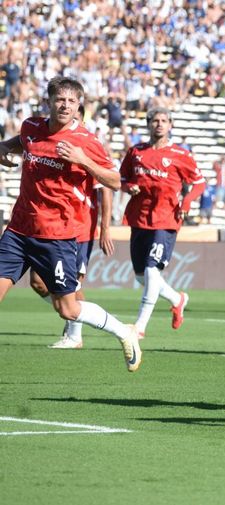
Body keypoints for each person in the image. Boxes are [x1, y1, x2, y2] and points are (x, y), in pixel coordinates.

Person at [0, 76, 141, 371]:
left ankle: (124, 332)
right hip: (18, 231)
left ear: (79, 106)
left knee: (68, 309)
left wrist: (83, 160)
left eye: (71, 101)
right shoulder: (30, 127)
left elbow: (115, 181)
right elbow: (24, 142)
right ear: (49, 102)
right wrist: (4, 146)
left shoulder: (86, 141)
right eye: (60, 100)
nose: (65, 105)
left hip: (56, 236)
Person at [28, 104, 116, 349]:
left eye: (76, 115)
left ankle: (75, 334)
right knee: (37, 281)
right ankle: (71, 314)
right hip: (53, 224)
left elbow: (106, 188)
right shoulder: (51, 140)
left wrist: (105, 228)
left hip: (79, 227)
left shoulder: (87, 145)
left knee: (73, 284)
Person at [119, 107, 206, 339]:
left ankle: (140, 327)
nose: (159, 124)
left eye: (164, 120)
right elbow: (122, 179)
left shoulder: (180, 154)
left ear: (170, 125)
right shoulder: (135, 152)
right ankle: (177, 299)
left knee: (151, 269)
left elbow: (199, 183)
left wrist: (187, 201)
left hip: (166, 219)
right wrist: (129, 187)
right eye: (155, 120)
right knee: (142, 277)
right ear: (148, 124)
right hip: (140, 218)